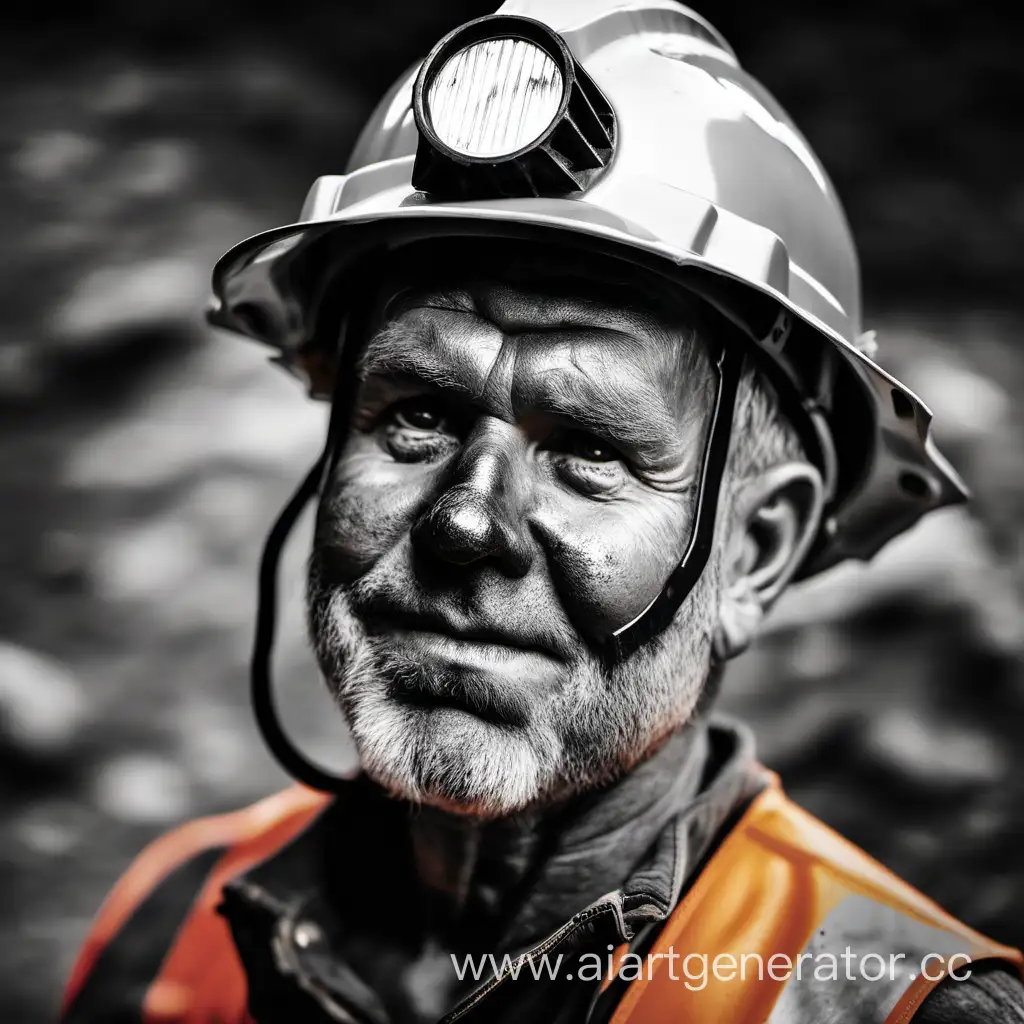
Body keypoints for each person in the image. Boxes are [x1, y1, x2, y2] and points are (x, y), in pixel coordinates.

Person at [61, 2, 1024, 1022]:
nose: (466, 524)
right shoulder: (175, 915)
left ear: (754, 550)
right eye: (419, 414)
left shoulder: (899, 1009)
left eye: (590, 449)